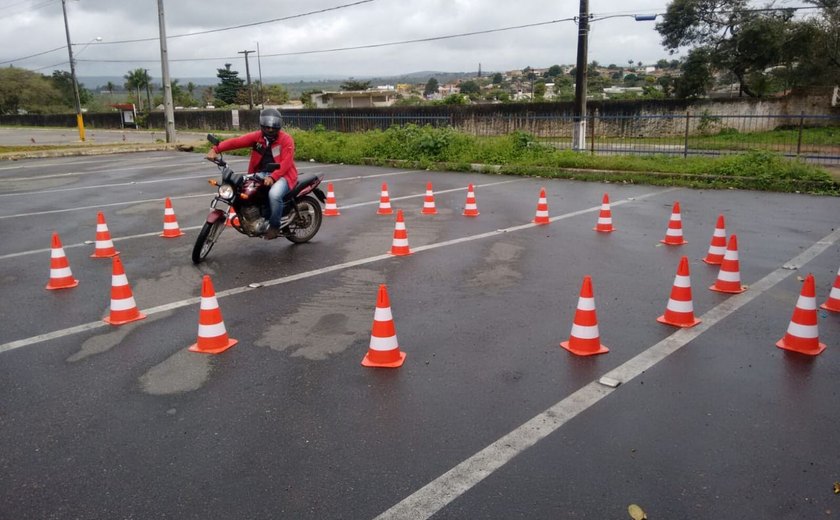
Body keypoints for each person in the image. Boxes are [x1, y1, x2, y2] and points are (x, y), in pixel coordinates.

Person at [206, 108, 298, 239]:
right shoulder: (257, 137)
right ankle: (255, 217)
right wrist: (215, 149)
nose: (270, 130)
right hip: (261, 173)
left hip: (284, 175)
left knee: (274, 194)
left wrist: (273, 176)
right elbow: (236, 142)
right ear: (262, 125)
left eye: (273, 127)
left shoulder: (286, 140)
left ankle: (274, 226)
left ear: (279, 126)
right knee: (241, 189)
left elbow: (286, 162)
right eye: (267, 127)